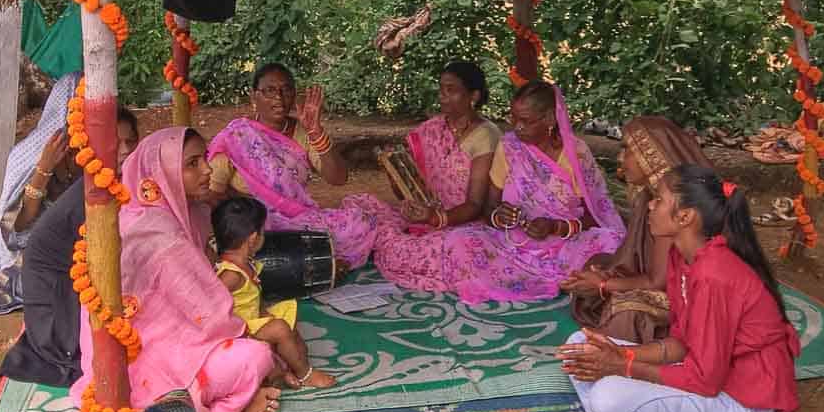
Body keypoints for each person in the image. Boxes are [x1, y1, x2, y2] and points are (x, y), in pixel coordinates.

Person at [558, 165, 799, 412]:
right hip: (705, 376)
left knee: (608, 395)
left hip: (743, 407)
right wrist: (621, 354)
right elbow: (681, 344)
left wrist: (624, 366)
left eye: (658, 199)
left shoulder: (715, 274)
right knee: (579, 345)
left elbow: (705, 379)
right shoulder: (681, 256)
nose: (650, 205)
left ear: (685, 217)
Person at [71, 127, 281, 412]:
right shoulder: (159, 234)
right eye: (192, 164)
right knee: (257, 356)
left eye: (204, 158)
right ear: (162, 173)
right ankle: (227, 404)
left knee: (266, 340)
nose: (207, 169)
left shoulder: (181, 213)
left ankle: (216, 392)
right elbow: (209, 313)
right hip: (143, 358)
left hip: (168, 338)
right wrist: (251, 334)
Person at [440, 80, 625, 303]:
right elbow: (490, 209)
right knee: (459, 239)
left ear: (549, 119)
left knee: (612, 241)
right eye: (513, 118)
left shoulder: (575, 153)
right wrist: (501, 217)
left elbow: (592, 217)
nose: (516, 127)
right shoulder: (509, 146)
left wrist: (555, 226)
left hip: (567, 247)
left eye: (525, 121)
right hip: (513, 246)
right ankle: (563, 282)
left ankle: (556, 279)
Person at [0, 109, 140, 387]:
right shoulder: (92, 193)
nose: (125, 151)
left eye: (131, 141)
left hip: (71, 290)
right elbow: (17, 226)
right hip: (58, 317)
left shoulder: (107, 181)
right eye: (116, 143)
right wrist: (43, 170)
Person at [206, 64, 377, 268]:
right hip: (254, 227)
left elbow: (338, 178)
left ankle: (312, 256)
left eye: (286, 90)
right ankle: (317, 258)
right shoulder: (235, 136)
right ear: (254, 97)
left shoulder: (303, 133)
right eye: (269, 91)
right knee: (262, 244)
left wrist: (316, 133)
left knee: (361, 221)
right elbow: (211, 195)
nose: (278, 97)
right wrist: (245, 215)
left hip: (299, 220)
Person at [561, 117, 710, 342]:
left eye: (627, 150)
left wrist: (602, 284)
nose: (620, 158)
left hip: (689, 299)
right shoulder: (649, 197)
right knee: (599, 261)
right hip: (662, 282)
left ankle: (622, 352)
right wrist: (607, 274)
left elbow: (657, 283)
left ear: (651, 154)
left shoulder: (674, 208)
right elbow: (640, 259)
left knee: (628, 312)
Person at [371, 60, 502, 291]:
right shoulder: (431, 129)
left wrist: (436, 218)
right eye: (441, 89)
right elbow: (410, 189)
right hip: (427, 215)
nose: (442, 96)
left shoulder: (486, 135)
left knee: (452, 249)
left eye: (451, 90)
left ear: (474, 95)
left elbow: (475, 204)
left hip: (465, 222)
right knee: (368, 217)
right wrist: (396, 176)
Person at [0, 72, 82, 314]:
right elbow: (18, 225)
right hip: (29, 257)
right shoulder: (29, 154)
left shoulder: (95, 151)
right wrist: (43, 170)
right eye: (81, 109)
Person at [212, 196, 336, 390]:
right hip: (239, 331)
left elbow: (252, 297)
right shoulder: (230, 275)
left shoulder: (246, 264)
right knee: (279, 328)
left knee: (287, 311)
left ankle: (290, 366)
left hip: (252, 319)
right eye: (263, 232)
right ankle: (305, 374)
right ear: (253, 239)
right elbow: (213, 308)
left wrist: (263, 312)